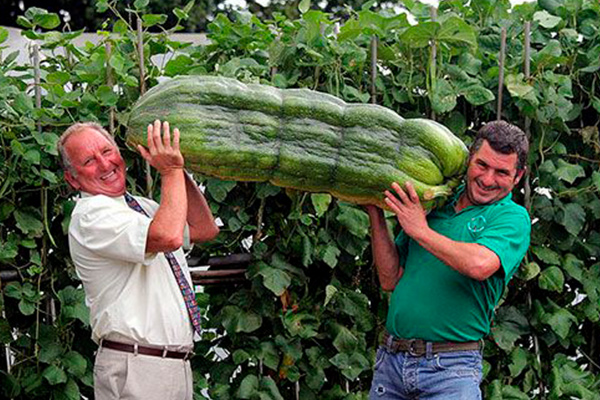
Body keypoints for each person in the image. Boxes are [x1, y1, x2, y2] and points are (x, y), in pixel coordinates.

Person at [366, 120, 530, 399]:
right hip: (391, 363)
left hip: (450, 369)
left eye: (502, 172)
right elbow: (389, 278)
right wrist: (375, 214)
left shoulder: (511, 217)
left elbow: (479, 265)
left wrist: (420, 230)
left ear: (518, 176)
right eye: (482, 165)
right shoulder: (434, 202)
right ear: (469, 159)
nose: (488, 179)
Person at [58, 120, 219, 400]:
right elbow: (168, 237)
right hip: (137, 368)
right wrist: (170, 171)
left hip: (168, 365)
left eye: (107, 152)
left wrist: (180, 165)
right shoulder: (91, 215)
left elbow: (204, 229)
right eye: (88, 160)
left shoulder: (140, 207)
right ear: (73, 179)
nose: (104, 164)